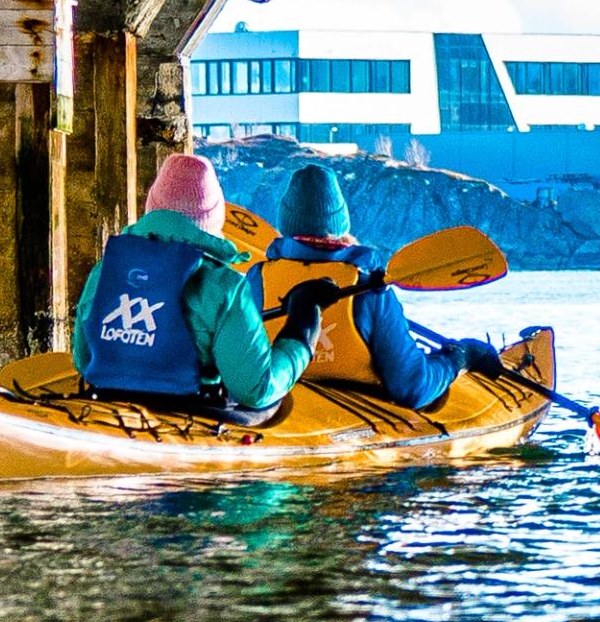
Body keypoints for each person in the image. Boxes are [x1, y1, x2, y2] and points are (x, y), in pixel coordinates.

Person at [72, 152, 338, 423]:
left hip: (106, 407)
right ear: (213, 217)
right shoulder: (226, 285)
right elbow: (255, 390)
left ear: (152, 207)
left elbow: (83, 360)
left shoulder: (104, 270)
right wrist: (301, 330)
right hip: (190, 416)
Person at [263, 163, 497, 411]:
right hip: (357, 410)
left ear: (286, 223)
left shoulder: (258, 277)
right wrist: (460, 356)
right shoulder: (369, 287)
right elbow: (412, 387)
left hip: (282, 403)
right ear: (341, 223)